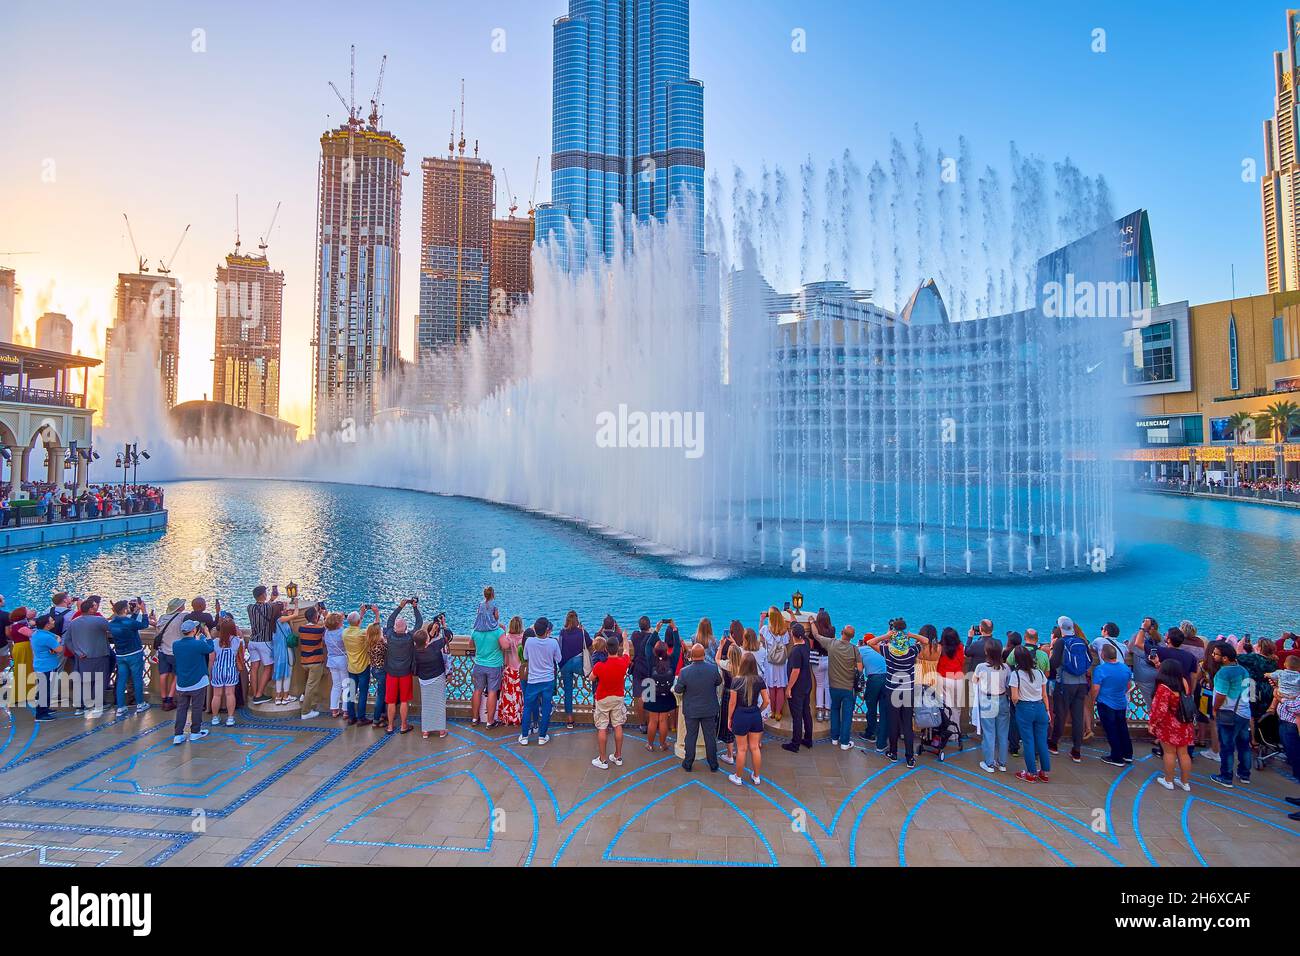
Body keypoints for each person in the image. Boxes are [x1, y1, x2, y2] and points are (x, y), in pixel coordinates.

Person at [864, 619, 930, 767]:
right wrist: (911, 635)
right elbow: (926, 641)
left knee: (893, 722)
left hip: (892, 690)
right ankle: (909, 757)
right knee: (907, 724)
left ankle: (893, 753)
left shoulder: (888, 651)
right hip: (908, 691)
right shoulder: (912, 651)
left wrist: (886, 636)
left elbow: (870, 642)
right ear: (905, 630)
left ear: (893, 631)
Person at [1047, 616, 1096, 763]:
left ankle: (1054, 743)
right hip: (1081, 684)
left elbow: (1053, 663)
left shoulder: (1061, 642)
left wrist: (1051, 648)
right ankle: (1076, 751)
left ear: (1061, 628)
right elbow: (1089, 660)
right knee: (1077, 716)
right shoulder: (1081, 641)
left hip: (1065, 684)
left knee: (1060, 715)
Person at [808, 621, 863, 750]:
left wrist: (811, 622)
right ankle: (844, 742)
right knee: (847, 715)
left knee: (835, 710)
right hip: (848, 688)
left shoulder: (831, 644)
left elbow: (816, 635)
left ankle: (834, 738)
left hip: (834, 686)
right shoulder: (854, 649)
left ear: (841, 633)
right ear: (852, 637)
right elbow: (860, 669)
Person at [674, 643, 722, 773]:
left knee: (691, 736)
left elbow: (678, 689)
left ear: (691, 656)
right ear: (704, 655)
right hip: (709, 709)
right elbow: (719, 682)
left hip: (691, 710)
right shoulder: (712, 669)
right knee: (710, 737)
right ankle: (713, 764)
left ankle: (688, 763)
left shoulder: (685, 672)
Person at [1210, 643, 1253, 788]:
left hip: (1229, 713)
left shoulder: (1223, 673)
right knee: (1244, 745)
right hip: (1244, 712)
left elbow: (1221, 695)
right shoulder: (1244, 670)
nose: (1213, 655)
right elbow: (1250, 691)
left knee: (1227, 746)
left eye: (1215, 654)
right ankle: (1244, 773)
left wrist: (1215, 709)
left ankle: (1226, 776)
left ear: (1225, 658)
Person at [1149, 659, 1194, 791]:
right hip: (1184, 723)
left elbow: (1160, 709)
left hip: (1169, 724)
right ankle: (1185, 783)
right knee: (1184, 754)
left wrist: (1152, 724)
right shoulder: (1184, 682)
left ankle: (1168, 780)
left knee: (1169, 753)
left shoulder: (1164, 688)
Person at [63, 598, 112, 717]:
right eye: (95, 606)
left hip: (82, 657)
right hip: (99, 655)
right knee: (99, 680)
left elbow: (67, 640)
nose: (97, 607)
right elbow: (112, 629)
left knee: (82, 681)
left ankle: (80, 706)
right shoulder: (99, 620)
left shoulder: (73, 622)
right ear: (90, 609)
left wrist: (76, 652)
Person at [1009, 645, 1051, 783]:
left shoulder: (1016, 675)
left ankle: (1031, 772)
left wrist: (1018, 705)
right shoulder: (1039, 672)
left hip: (1025, 708)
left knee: (1028, 741)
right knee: (1041, 741)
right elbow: (1045, 694)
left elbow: (1014, 696)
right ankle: (1044, 772)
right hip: (1040, 707)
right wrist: (1047, 710)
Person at [727, 652, 769, 787]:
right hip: (754, 715)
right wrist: (759, 710)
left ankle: (738, 777)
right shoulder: (759, 680)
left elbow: (732, 703)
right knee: (755, 747)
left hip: (740, 715)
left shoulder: (736, 681)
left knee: (742, 749)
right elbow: (767, 701)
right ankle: (756, 776)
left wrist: (729, 718)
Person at [1090, 641, 1134, 767]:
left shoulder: (1101, 669)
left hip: (1106, 702)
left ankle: (1116, 757)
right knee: (1122, 728)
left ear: (1103, 655)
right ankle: (1128, 754)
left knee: (1111, 730)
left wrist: (1093, 700)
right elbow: (1129, 686)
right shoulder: (1125, 669)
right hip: (1121, 702)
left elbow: (1096, 688)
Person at [590, 635, 630, 769]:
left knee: (602, 726)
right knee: (618, 724)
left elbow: (591, 678)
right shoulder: (623, 662)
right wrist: (624, 638)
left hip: (602, 698)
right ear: (617, 648)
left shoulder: (600, 666)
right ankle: (618, 756)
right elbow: (627, 651)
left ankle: (603, 759)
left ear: (606, 649)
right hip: (618, 696)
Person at [519, 617, 561, 745]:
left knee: (527, 707)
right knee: (546, 707)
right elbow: (558, 659)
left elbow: (525, 657)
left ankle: (525, 736)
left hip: (533, 679)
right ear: (547, 630)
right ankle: (542, 736)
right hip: (548, 680)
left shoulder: (530, 642)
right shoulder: (553, 643)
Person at [171, 619, 214, 745]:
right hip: (198, 681)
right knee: (197, 707)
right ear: (194, 630)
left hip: (182, 682)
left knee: (181, 708)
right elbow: (210, 648)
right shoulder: (198, 644)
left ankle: (178, 734)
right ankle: (195, 732)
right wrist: (207, 635)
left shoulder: (176, 644)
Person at [108, 598, 153, 717]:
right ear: (124, 609)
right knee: (137, 679)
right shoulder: (129, 623)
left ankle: (121, 707)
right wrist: (144, 611)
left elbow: (129, 624)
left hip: (120, 655)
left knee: (121, 681)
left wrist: (136, 612)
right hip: (134, 654)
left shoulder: (111, 624)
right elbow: (144, 624)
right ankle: (140, 704)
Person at [384, 598, 422, 734]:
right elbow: (419, 623)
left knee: (391, 701)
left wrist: (400, 607)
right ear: (406, 629)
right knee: (404, 700)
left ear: (395, 628)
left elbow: (389, 621)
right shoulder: (410, 637)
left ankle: (389, 726)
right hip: (405, 673)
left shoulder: (389, 636)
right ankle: (403, 725)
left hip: (391, 673)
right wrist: (415, 607)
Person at [973, 639, 1010, 773]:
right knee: (1003, 733)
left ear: (986, 652)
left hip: (987, 700)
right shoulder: (1006, 667)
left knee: (989, 733)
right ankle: (1002, 763)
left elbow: (974, 680)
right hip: (1002, 700)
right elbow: (1008, 683)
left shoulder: (981, 667)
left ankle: (989, 763)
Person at [415, 616, 452, 739]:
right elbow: (448, 637)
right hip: (437, 678)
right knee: (439, 704)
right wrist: (443, 625)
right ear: (426, 641)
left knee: (426, 705)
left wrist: (431, 632)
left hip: (423, 680)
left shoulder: (415, 651)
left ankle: (426, 730)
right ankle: (441, 730)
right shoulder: (434, 648)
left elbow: (426, 641)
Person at [343, 605, 379, 726]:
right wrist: (376, 614)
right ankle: (361, 718)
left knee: (351, 692)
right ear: (359, 621)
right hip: (363, 667)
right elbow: (375, 630)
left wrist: (361, 614)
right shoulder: (362, 634)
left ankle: (351, 717)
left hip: (351, 667)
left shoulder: (345, 633)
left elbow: (354, 624)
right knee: (363, 693)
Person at [781, 621, 814, 753]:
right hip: (807, 684)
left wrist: (789, 688)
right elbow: (798, 628)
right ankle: (808, 739)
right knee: (807, 712)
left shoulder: (795, 651)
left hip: (797, 688)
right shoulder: (805, 643)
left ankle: (795, 743)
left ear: (792, 634)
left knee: (797, 716)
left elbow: (795, 671)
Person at [246, 585, 281, 704]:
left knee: (254, 668)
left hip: (252, 642)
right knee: (268, 667)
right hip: (264, 641)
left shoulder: (249, 607)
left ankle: (254, 693)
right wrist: (273, 599)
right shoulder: (269, 607)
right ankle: (259, 694)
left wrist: (271, 600)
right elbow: (273, 608)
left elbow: (266, 607)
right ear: (263, 595)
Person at [557, 610, 591, 729]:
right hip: (578, 664)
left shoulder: (562, 632)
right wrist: (583, 631)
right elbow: (590, 644)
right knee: (594, 678)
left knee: (568, 691)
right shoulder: (582, 632)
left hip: (565, 664)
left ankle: (570, 720)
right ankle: (597, 711)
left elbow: (559, 648)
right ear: (577, 620)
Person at [643, 638, 678, 752]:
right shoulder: (672, 660)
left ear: (654, 651)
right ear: (667, 650)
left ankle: (650, 745)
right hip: (667, 692)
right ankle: (663, 744)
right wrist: (675, 630)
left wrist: (656, 630)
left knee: (652, 720)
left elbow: (648, 644)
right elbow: (677, 646)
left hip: (651, 690)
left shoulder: (651, 659)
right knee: (663, 720)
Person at [209, 617, 244, 727]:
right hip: (231, 670)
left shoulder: (215, 642)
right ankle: (230, 718)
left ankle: (215, 718)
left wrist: (210, 672)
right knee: (230, 694)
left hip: (218, 670)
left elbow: (212, 659)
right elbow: (241, 655)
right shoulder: (237, 641)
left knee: (217, 695)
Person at [857, 634, 889, 753]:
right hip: (887, 679)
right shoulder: (881, 647)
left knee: (871, 708)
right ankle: (881, 743)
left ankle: (870, 734)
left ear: (864, 642)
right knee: (884, 711)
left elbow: (860, 668)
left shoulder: (860, 649)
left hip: (874, 680)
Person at [153, 598, 187, 711]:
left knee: (163, 674)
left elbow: (157, 628)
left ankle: (164, 699)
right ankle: (170, 698)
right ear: (179, 608)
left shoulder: (163, 618)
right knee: (177, 674)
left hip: (163, 650)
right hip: (176, 652)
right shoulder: (182, 617)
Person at [29, 613, 62, 722]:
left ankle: (44, 709)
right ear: (47, 624)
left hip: (40, 664)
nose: (54, 622)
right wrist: (57, 641)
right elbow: (59, 649)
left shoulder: (37, 633)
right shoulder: (46, 637)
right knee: (46, 690)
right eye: (52, 620)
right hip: (48, 666)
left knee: (44, 688)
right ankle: (41, 714)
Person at [298, 605, 328, 720]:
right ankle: (305, 711)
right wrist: (325, 617)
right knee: (311, 686)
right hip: (315, 662)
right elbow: (325, 628)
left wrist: (319, 615)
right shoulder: (318, 629)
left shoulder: (301, 628)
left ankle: (303, 696)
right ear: (315, 617)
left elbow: (315, 624)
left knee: (308, 683)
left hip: (304, 661)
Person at [628, 615, 657, 732]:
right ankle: (651, 724)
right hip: (649, 668)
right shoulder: (652, 637)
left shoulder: (635, 635)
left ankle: (642, 724)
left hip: (638, 668)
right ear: (649, 626)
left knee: (640, 697)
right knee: (649, 697)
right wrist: (654, 631)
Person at [760, 607, 789, 721]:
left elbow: (761, 636)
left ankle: (772, 711)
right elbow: (787, 643)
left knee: (771, 688)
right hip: (781, 662)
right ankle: (778, 713)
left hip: (770, 662)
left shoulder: (766, 629)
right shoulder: (785, 631)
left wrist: (762, 619)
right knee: (780, 688)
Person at [935, 626, 966, 728]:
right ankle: (956, 733)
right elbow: (962, 661)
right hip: (957, 679)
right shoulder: (961, 647)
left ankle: (946, 732)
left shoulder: (939, 648)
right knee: (957, 708)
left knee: (945, 707)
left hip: (943, 678)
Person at [497, 616, 525, 727]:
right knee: (518, 696)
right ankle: (518, 717)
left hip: (508, 671)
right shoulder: (523, 639)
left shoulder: (506, 638)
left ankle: (507, 718)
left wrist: (502, 630)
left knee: (507, 695)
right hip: (520, 671)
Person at [323, 612, 348, 718]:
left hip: (332, 660)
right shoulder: (342, 632)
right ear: (338, 623)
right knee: (346, 685)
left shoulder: (326, 633)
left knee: (336, 685)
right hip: (342, 660)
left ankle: (334, 708)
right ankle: (346, 710)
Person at [810, 609, 833, 722]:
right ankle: (827, 711)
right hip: (828, 660)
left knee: (819, 685)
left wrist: (811, 623)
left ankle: (819, 712)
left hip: (817, 660)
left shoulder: (815, 630)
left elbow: (812, 640)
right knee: (827, 685)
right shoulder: (832, 630)